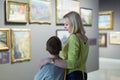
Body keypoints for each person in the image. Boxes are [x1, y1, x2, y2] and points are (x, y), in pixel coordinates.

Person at [40, 11, 89, 80]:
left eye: (66, 24)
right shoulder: (85, 38)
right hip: (83, 74)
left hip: (74, 76)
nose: (64, 27)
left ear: (73, 24)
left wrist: (51, 60)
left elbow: (72, 63)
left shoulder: (74, 38)